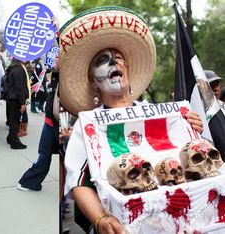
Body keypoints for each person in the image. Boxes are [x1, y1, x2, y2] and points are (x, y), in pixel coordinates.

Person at [61, 7, 204, 233]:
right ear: (92, 81)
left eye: (118, 58)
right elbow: (79, 184)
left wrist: (195, 133)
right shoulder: (87, 126)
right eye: (103, 60)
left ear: (126, 69)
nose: (113, 63)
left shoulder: (165, 117)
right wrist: (100, 220)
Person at [17, 55, 59, 190]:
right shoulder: (55, 74)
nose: (55, 58)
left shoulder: (71, 77)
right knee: (43, 154)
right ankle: (30, 181)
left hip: (64, 124)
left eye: (58, 57)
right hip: (50, 121)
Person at [5, 57, 29, 149]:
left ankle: (11, 138)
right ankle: (14, 142)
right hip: (16, 99)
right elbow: (19, 88)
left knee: (13, 120)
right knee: (15, 121)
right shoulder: (19, 70)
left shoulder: (13, 68)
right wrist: (22, 103)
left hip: (12, 97)